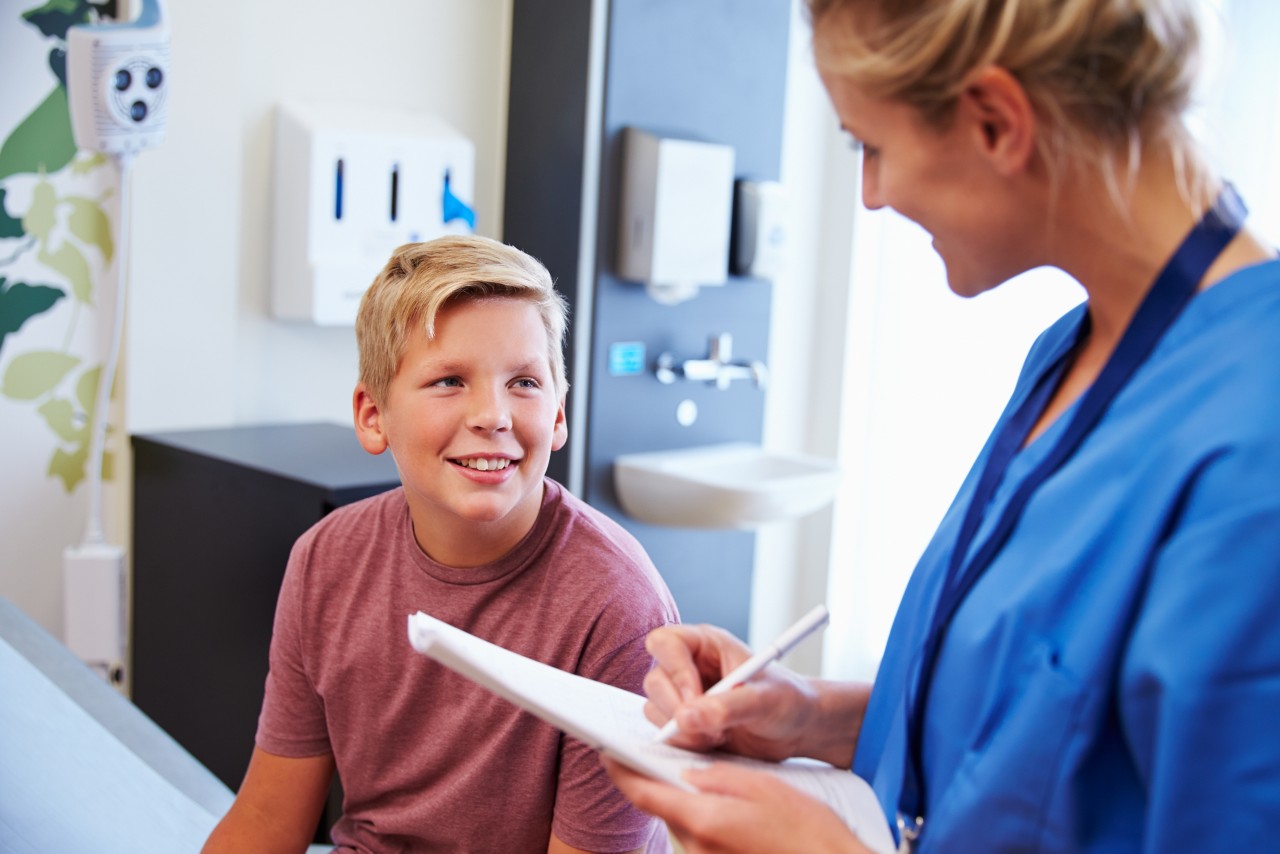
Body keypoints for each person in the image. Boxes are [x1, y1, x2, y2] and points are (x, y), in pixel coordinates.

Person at [603, 0, 1280, 851]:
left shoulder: (1256, 442)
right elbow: (1043, 749)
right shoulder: (1069, 354)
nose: (872, 196)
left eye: (870, 149)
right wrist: (812, 718)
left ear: (997, 122)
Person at [204, 235, 678, 853]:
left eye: (525, 383)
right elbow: (266, 823)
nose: (493, 415)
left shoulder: (617, 606)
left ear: (559, 414)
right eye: (450, 380)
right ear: (374, 415)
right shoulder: (324, 561)